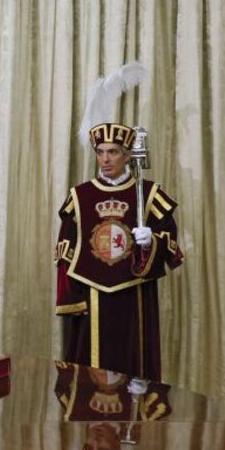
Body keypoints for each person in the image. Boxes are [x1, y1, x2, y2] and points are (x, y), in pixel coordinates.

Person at [55, 122, 182, 380]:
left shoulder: (148, 194)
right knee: (89, 374)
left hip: (135, 295)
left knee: (135, 368)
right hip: (91, 297)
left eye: (112, 152)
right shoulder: (79, 196)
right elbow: (65, 254)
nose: (105, 159)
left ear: (127, 155)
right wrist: (72, 300)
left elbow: (171, 246)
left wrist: (151, 243)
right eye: (100, 152)